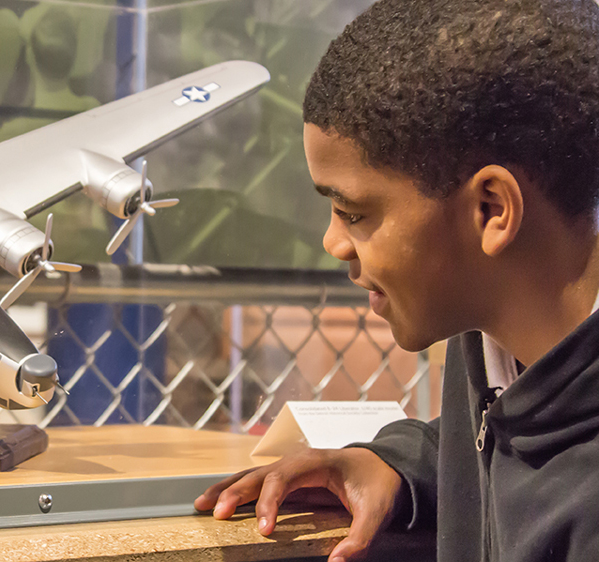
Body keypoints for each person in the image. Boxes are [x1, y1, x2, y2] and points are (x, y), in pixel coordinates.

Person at [194, 1, 599, 561]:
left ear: (490, 210)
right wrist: (401, 464)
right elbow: (515, 435)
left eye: (353, 213)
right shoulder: (490, 328)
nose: (332, 243)